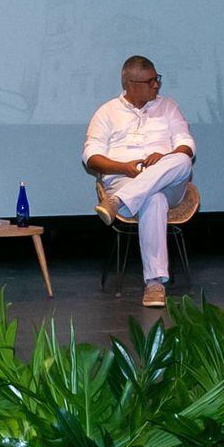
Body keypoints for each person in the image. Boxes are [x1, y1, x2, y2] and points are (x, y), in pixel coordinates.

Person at [84, 56, 195, 307]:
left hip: (169, 183)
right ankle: (155, 284)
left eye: (157, 79)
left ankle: (118, 202)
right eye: (151, 81)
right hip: (123, 179)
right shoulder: (107, 112)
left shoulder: (168, 107)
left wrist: (166, 156)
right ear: (131, 84)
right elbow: (91, 157)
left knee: (182, 161)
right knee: (152, 198)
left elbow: (187, 145)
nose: (157, 85)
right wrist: (123, 167)